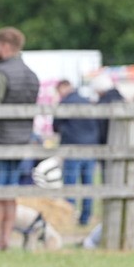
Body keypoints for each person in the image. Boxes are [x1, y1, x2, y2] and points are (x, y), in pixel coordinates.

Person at [0, 27, 39, 251]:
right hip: (21, 141)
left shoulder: (1, 73)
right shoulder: (31, 74)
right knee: (10, 193)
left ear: (5, 47)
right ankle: (6, 239)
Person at [52, 79, 100, 226]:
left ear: (62, 88)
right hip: (90, 147)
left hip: (72, 146)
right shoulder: (87, 101)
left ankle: (69, 215)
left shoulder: (65, 102)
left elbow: (56, 125)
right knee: (87, 184)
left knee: (70, 184)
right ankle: (85, 217)